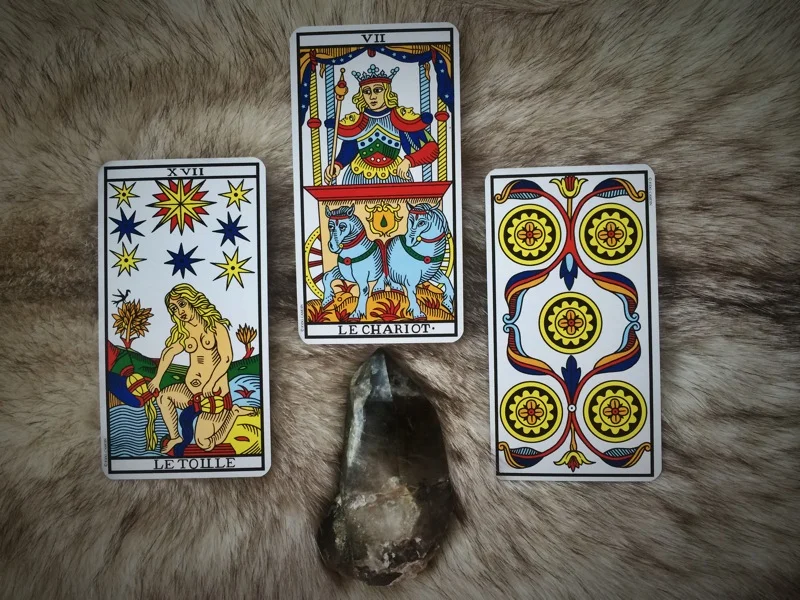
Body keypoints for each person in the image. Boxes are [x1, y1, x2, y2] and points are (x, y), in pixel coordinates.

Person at [147, 283, 252, 453]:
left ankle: (234, 413)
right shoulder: (183, 331)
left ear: (192, 300)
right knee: (164, 397)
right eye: (174, 309)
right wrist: (157, 378)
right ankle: (175, 436)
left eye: (182, 304)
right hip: (190, 392)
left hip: (214, 396)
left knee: (204, 443)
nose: (179, 311)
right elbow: (169, 352)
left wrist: (210, 383)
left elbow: (226, 358)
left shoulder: (216, 326)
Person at [324, 64, 438, 185]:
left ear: (387, 91)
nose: (372, 96)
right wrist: (337, 165)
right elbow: (349, 150)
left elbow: (432, 149)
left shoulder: (400, 118)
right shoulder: (358, 122)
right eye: (366, 91)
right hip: (358, 176)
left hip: (394, 176)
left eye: (377, 90)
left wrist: (409, 161)